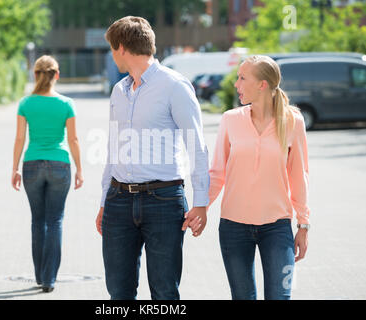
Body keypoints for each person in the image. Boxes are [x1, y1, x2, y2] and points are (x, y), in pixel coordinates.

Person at [95, 16, 210, 300]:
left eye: (112, 48)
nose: (112, 55)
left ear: (121, 47)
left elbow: (196, 144)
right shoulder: (119, 91)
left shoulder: (175, 85)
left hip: (164, 201)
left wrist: (201, 202)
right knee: (119, 294)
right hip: (118, 202)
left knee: (164, 293)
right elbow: (114, 149)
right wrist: (103, 203)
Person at [188, 55, 310, 300]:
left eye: (242, 78)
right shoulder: (231, 120)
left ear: (262, 84)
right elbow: (217, 172)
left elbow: (299, 175)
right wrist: (201, 206)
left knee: (280, 296)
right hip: (234, 226)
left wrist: (303, 224)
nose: (236, 84)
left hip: (277, 226)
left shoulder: (293, 122)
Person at [12, 55, 83, 293]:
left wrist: (14, 169)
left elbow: (20, 138)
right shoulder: (66, 104)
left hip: (31, 165)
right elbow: (72, 139)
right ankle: (50, 279)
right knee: (55, 221)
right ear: (57, 75)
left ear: (35, 75)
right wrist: (80, 169)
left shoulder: (25, 103)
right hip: (59, 165)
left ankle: (40, 275)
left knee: (37, 221)